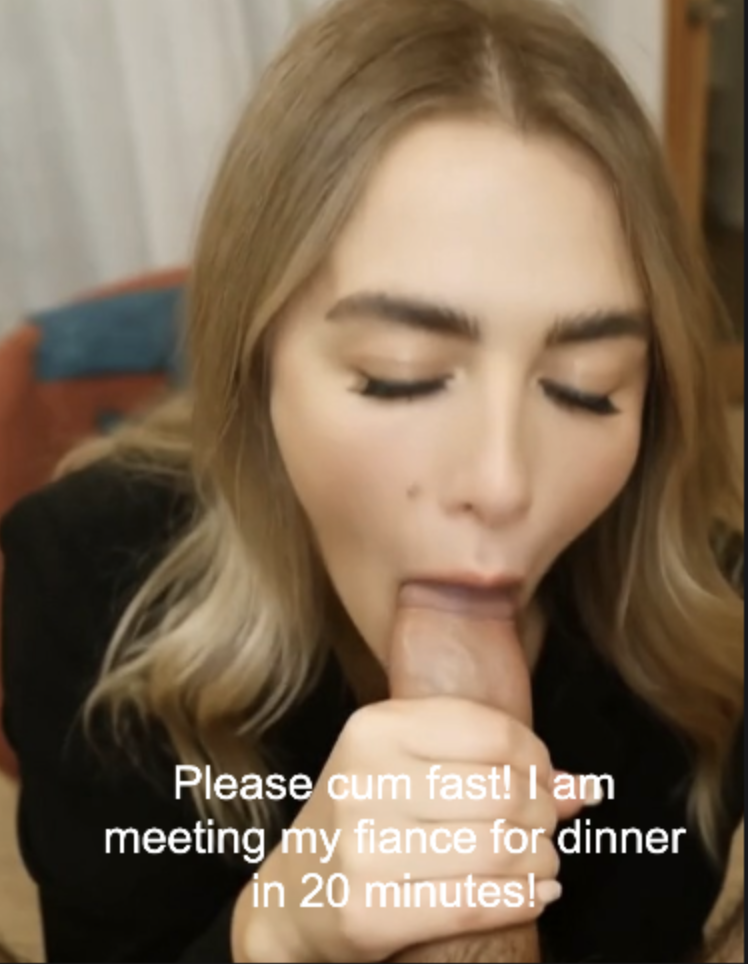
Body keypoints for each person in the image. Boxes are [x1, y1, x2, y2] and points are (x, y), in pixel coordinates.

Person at [0, 0, 743, 961]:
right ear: (256, 365)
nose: (503, 482)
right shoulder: (88, 577)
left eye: (587, 388)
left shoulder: (705, 616)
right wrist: (276, 931)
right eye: (402, 375)